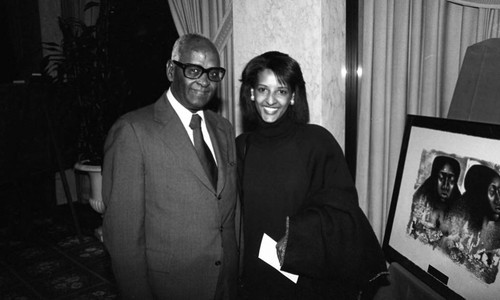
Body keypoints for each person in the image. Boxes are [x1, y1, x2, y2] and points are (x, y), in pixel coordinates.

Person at [236, 51, 388, 299]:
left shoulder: (317, 142)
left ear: (293, 97)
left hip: (305, 279)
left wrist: (299, 237)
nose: (271, 100)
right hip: (255, 279)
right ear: (251, 93)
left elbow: (344, 211)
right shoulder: (241, 147)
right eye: (263, 89)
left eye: (281, 91)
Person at [102, 33, 239, 299]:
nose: (204, 81)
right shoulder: (133, 131)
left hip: (225, 282)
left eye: (213, 73)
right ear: (170, 69)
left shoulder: (223, 128)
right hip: (171, 287)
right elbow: (123, 239)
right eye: (193, 70)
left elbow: (232, 212)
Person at [442, 164, 500, 283]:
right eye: (492, 191)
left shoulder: (495, 231)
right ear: (480, 193)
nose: (499, 199)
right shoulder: (457, 225)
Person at [407, 155, 462, 247]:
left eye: (451, 180)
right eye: (441, 178)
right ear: (434, 177)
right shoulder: (420, 201)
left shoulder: (459, 212)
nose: (445, 186)